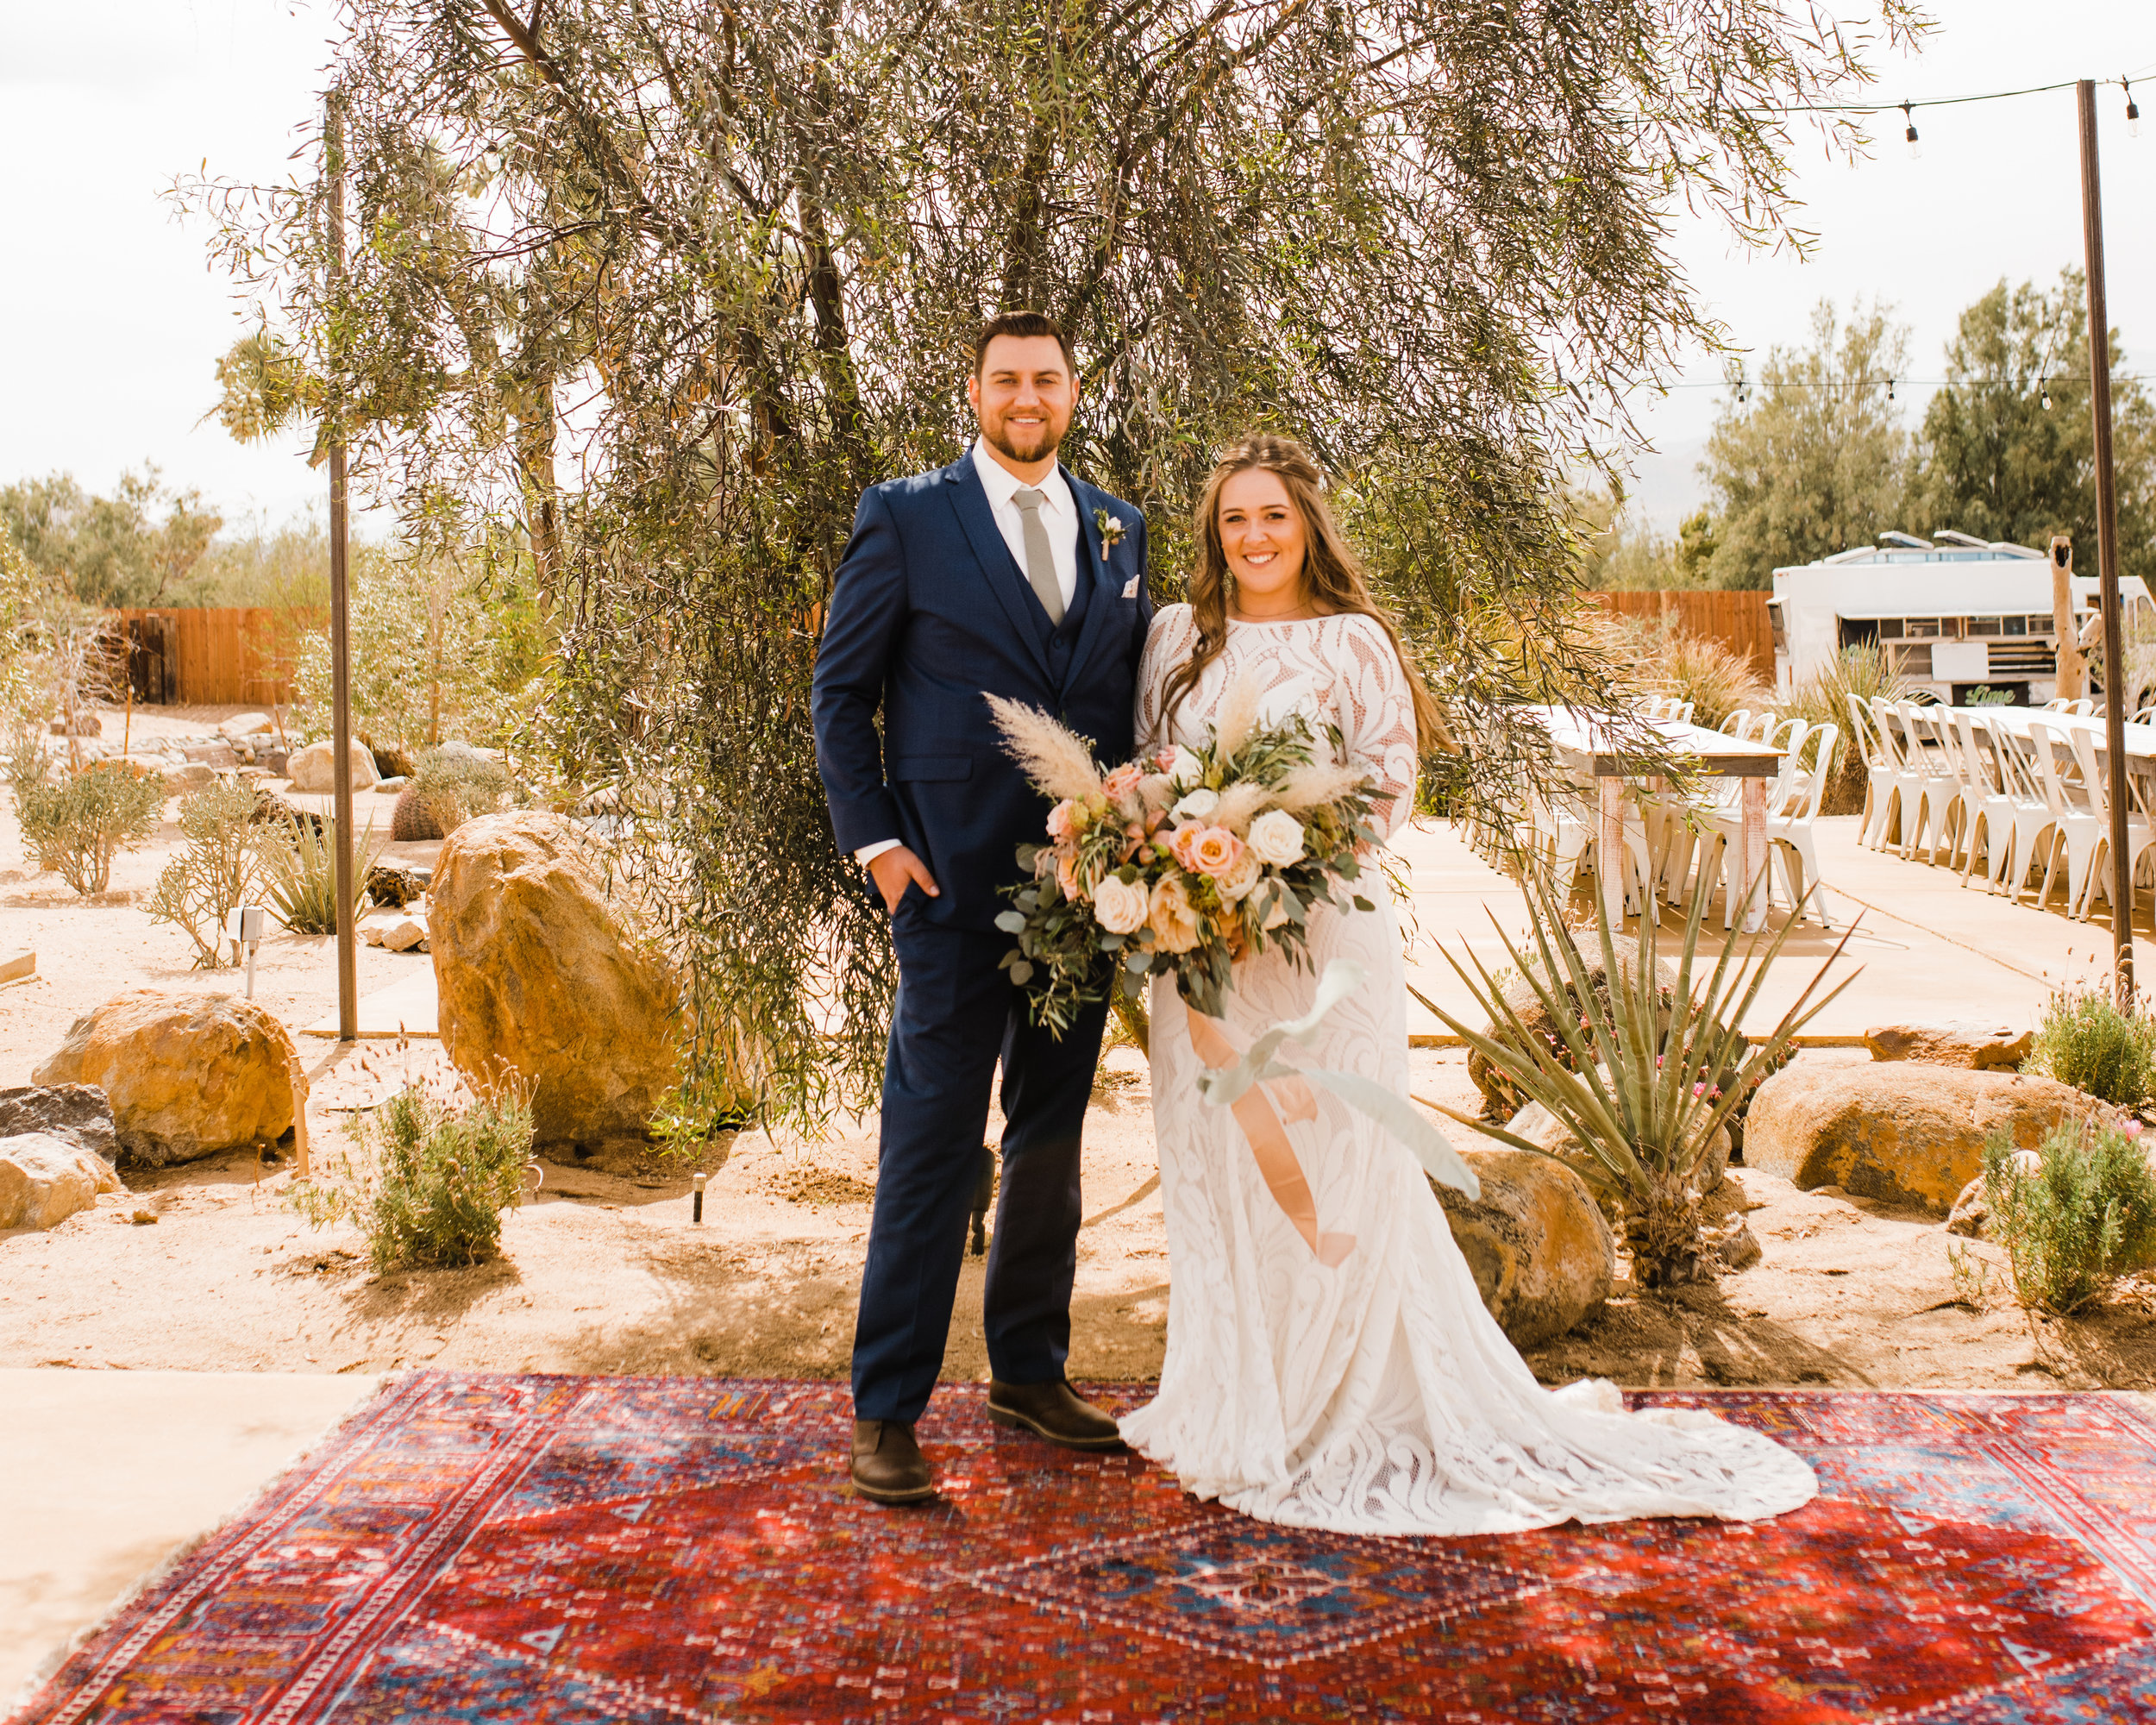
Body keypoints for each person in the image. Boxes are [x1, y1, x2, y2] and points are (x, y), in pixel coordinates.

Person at [1118, 434, 1818, 1534]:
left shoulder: (1354, 640)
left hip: (1322, 945)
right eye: (1233, 519)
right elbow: (1153, 770)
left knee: (1341, 1160)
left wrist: (1281, 845)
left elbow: (1390, 787)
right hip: (1201, 953)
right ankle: (1234, 1396)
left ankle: (1335, 1407)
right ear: (1214, 531)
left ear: (1308, 525)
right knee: (1221, 1161)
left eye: (1273, 516)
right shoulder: (1173, 639)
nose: (1252, 537)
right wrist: (1190, 855)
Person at [812, 311, 1152, 1504]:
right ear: (974, 391)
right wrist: (882, 849)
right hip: (949, 890)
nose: (1026, 396)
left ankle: (1030, 1371)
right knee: (934, 1144)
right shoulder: (905, 516)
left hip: (1083, 898)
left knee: (1052, 1144)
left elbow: (1124, 704)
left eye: (1046, 378)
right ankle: (888, 1408)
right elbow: (840, 691)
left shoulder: (1121, 529)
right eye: (1006, 379)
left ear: (1071, 390)